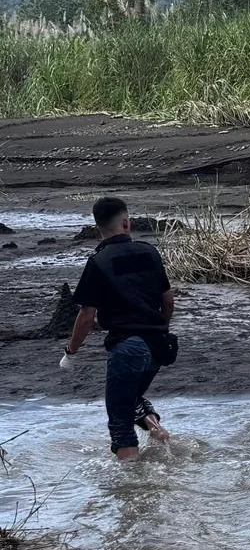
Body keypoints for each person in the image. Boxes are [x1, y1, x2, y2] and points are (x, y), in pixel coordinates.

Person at [60, 197, 175, 461]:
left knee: (121, 424)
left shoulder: (98, 261)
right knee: (131, 397)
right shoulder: (149, 252)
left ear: (98, 227)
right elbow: (168, 301)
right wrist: (161, 329)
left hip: (127, 347)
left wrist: (71, 351)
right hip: (158, 346)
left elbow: (86, 315)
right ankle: (158, 432)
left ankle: (133, 480)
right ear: (126, 222)